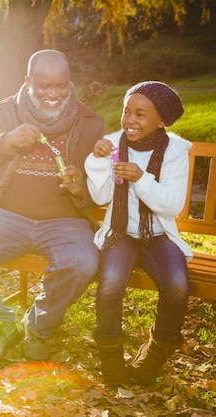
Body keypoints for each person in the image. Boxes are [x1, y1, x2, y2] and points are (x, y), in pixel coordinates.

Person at [0, 49, 107, 363]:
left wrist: (81, 187)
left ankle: (37, 326)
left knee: (83, 262)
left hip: (65, 222)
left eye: (60, 86)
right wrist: (5, 142)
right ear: (28, 81)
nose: (53, 94)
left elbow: (104, 187)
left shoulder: (90, 122)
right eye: (44, 86)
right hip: (6, 217)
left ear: (69, 83)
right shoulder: (3, 114)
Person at [85, 81, 190, 386]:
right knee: (111, 283)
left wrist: (142, 179)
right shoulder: (114, 145)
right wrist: (97, 161)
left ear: (161, 121)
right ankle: (110, 354)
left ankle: (157, 352)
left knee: (176, 284)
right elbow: (101, 197)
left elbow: (171, 206)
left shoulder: (175, 152)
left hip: (158, 234)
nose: (130, 120)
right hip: (121, 232)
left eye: (140, 114)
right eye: (126, 111)